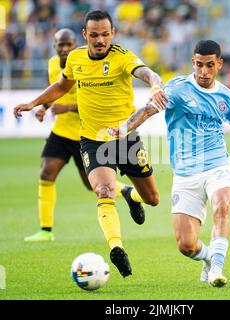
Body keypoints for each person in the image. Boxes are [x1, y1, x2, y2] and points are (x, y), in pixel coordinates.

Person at [14, 10, 168, 278]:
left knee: (152, 199)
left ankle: (131, 195)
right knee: (103, 191)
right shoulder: (75, 58)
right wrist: (33, 103)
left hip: (125, 137)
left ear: (113, 34)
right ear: (85, 35)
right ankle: (117, 247)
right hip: (93, 140)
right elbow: (62, 86)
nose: (100, 40)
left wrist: (156, 85)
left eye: (105, 34)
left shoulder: (122, 56)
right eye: (94, 35)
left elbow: (147, 73)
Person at [108, 40, 230, 287]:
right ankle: (209, 259)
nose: (204, 72)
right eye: (199, 65)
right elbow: (148, 110)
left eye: (209, 65)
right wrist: (123, 129)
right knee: (186, 246)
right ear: (193, 63)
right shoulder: (176, 89)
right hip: (185, 175)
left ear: (219, 64)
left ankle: (217, 269)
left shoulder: (226, 96)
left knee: (222, 205)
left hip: (218, 167)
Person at [24, 28, 143, 243]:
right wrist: (44, 106)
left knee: (92, 186)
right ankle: (45, 230)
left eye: (69, 44)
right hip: (60, 132)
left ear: (76, 43)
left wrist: (67, 107)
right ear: (55, 46)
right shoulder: (53, 65)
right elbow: (58, 89)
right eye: (61, 45)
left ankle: (125, 191)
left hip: (85, 134)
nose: (65, 48)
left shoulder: (85, 63)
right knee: (46, 173)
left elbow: (92, 102)